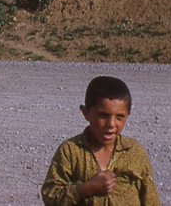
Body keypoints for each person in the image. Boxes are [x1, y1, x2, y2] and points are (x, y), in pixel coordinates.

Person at [41, 75, 162, 205]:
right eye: (103, 115)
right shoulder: (71, 151)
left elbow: (151, 200)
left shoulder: (134, 152)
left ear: (128, 115)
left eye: (119, 117)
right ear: (85, 113)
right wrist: (86, 189)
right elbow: (50, 195)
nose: (111, 124)